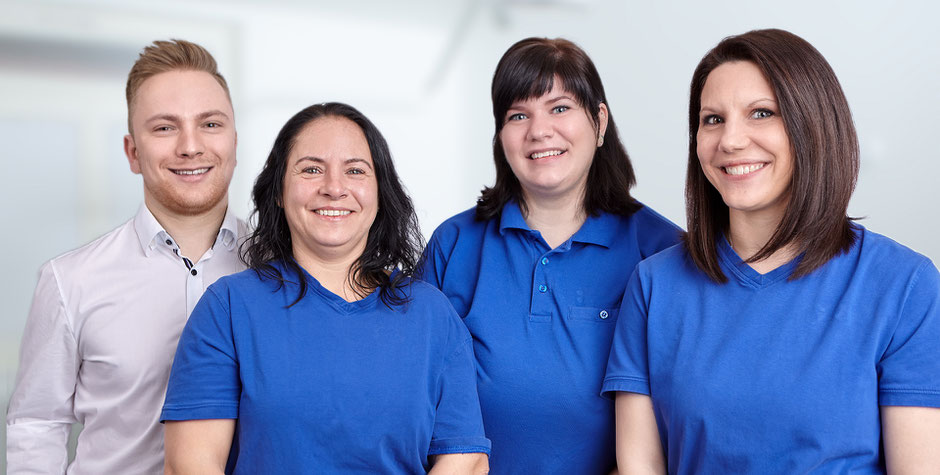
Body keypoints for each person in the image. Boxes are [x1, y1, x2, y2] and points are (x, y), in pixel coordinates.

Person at [603, 28, 940, 473]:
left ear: (814, 126)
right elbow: (641, 466)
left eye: (762, 113)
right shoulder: (654, 285)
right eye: (712, 119)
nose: (731, 140)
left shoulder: (905, 285)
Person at [161, 102, 491, 473]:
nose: (334, 188)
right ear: (278, 193)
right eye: (312, 169)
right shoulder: (228, 308)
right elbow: (191, 466)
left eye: (355, 170)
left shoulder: (432, 315)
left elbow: (466, 460)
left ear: (380, 193)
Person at [419, 37, 682, 474]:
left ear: (599, 122)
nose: (538, 131)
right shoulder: (454, 244)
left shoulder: (662, 251)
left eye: (559, 108)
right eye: (517, 115)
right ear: (500, 135)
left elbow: (685, 414)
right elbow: (414, 391)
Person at [6, 39, 245, 474]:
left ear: (234, 140)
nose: (190, 146)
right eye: (164, 128)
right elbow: (36, 424)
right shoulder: (69, 280)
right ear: (133, 152)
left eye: (210, 124)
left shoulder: (283, 270)